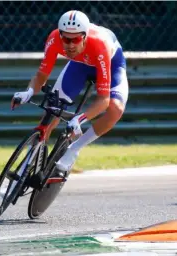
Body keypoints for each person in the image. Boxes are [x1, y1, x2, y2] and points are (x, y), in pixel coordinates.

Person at [11, 10, 129, 175]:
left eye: (76, 39)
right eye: (66, 39)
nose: (71, 45)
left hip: (110, 64)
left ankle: (74, 149)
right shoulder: (53, 39)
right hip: (79, 65)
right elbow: (41, 76)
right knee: (53, 108)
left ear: (85, 36)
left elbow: (103, 100)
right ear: (60, 35)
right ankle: (26, 164)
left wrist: (80, 118)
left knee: (115, 109)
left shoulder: (100, 45)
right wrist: (29, 91)